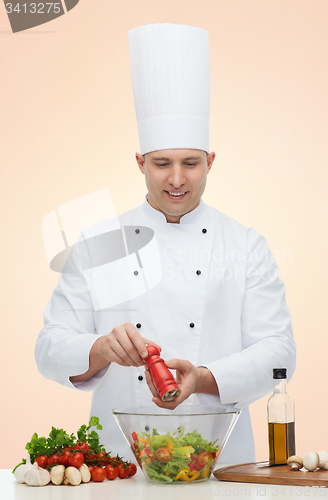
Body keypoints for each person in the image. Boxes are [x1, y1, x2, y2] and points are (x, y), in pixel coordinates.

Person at [35, 23, 296, 464]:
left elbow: (279, 351)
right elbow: (48, 348)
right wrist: (98, 350)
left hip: (221, 465)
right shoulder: (99, 242)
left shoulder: (245, 244)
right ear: (139, 162)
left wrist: (205, 377)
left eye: (191, 163)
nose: (177, 179)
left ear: (211, 161)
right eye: (161, 164)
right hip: (120, 466)